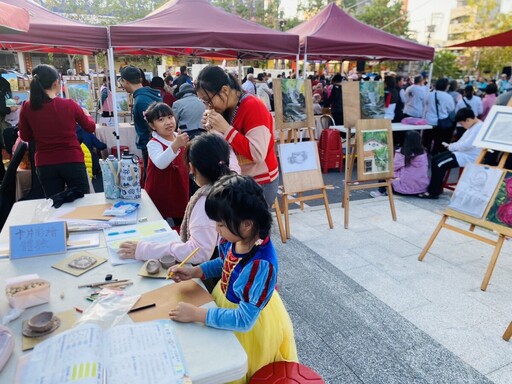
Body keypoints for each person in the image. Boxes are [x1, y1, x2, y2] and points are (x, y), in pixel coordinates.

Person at [167, 174, 298, 382]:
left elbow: (244, 321)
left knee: (238, 370)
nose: (217, 229)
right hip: (227, 303)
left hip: (250, 324)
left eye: (220, 224)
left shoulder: (260, 265)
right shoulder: (237, 237)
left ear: (246, 224)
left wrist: (196, 314)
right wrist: (197, 271)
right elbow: (226, 262)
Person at [118, 133, 238, 289]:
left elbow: (199, 252)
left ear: (192, 167)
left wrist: (145, 249)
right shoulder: (234, 184)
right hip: (228, 270)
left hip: (222, 280)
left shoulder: (207, 202)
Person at [196, 65, 279, 205]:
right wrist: (211, 128)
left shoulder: (253, 106)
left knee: (248, 226)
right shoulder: (227, 107)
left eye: (208, 100)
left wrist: (226, 129)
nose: (207, 106)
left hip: (260, 181)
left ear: (225, 90)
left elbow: (258, 154)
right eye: (203, 101)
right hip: (240, 179)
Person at [18, 64, 95, 197]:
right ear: (55, 83)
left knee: (55, 204)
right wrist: (87, 114)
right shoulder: (69, 104)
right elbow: (90, 127)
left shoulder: (27, 107)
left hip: (45, 163)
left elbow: (25, 136)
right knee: (83, 203)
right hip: (72, 160)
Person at [418, 108, 483, 199]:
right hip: (461, 153)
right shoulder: (474, 126)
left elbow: (467, 145)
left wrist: (452, 146)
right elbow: (463, 142)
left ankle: (433, 192)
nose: (462, 126)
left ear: (468, 120)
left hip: (468, 156)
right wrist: (452, 146)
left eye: (462, 124)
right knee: (435, 159)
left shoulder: (478, 128)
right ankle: (437, 187)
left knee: (439, 164)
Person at [143, 102, 189, 227]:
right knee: (158, 224)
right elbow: (161, 163)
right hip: (159, 191)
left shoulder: (178, 137)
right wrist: (176, 145)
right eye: (161, 120)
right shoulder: (153, 143)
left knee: (182, 222)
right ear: (152, 125)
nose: (168, 122)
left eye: (170, 117)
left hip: (178, 188)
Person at [119, 65, 162, 173]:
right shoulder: (147, 94)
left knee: (151, 177)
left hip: (150, 143)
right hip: (154, 142)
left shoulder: (141, 100)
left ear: (126, 81)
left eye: (122, 82)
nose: (122, 85)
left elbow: (152, 124)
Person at [370, 131, 429, 197]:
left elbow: (393, 167)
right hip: (421, 188)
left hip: (403, 189)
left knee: (385, 168)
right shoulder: (423, 152)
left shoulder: (403, 152)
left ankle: (381, 191)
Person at [424, 78, 456, 155]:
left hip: (429, 121)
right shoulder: (448, 97)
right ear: (445, 86)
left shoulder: (430, 94)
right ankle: (434, 155)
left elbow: (425, 104)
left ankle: (426, 154)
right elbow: (451, 109)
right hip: (441, 122)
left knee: (427, 139)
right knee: (438, 141)